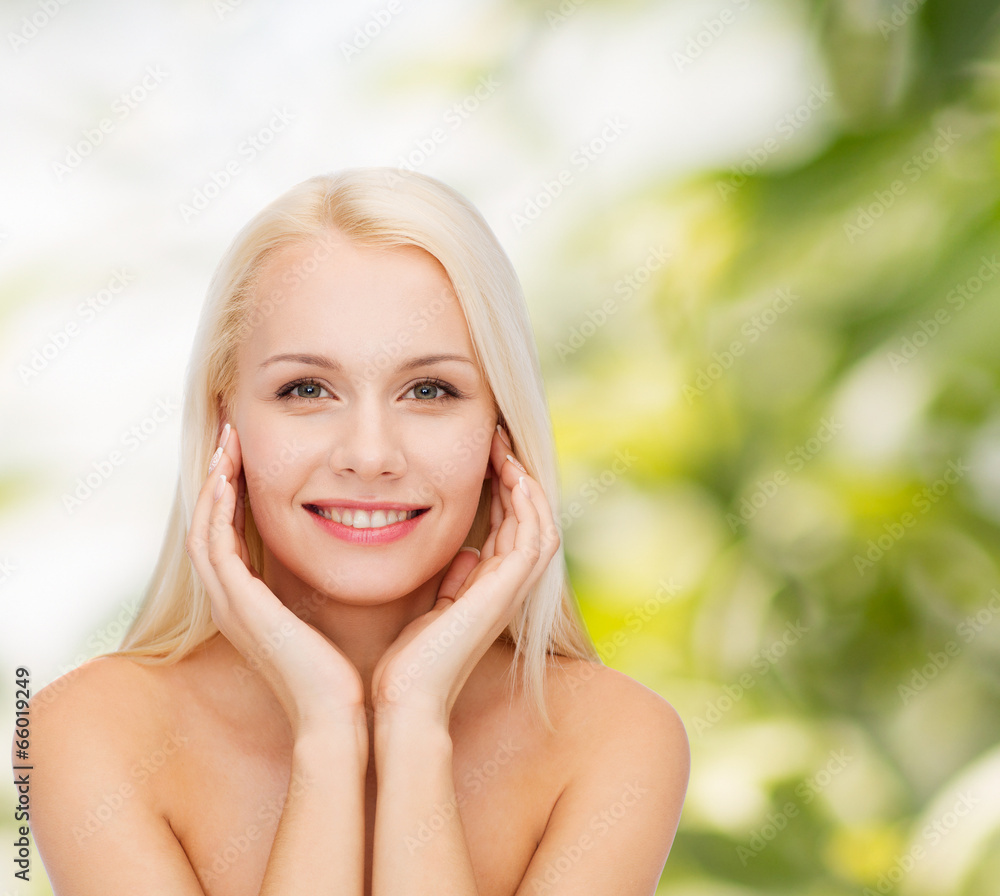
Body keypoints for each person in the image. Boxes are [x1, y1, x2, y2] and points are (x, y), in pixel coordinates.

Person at [24, 169, 689, 895]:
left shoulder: (617, 742)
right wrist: (328, 729)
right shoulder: (87, 733)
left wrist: (412, 719)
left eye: (429, 391)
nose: (370, 455)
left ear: (501, 427)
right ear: (227, 422)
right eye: (306, 390)